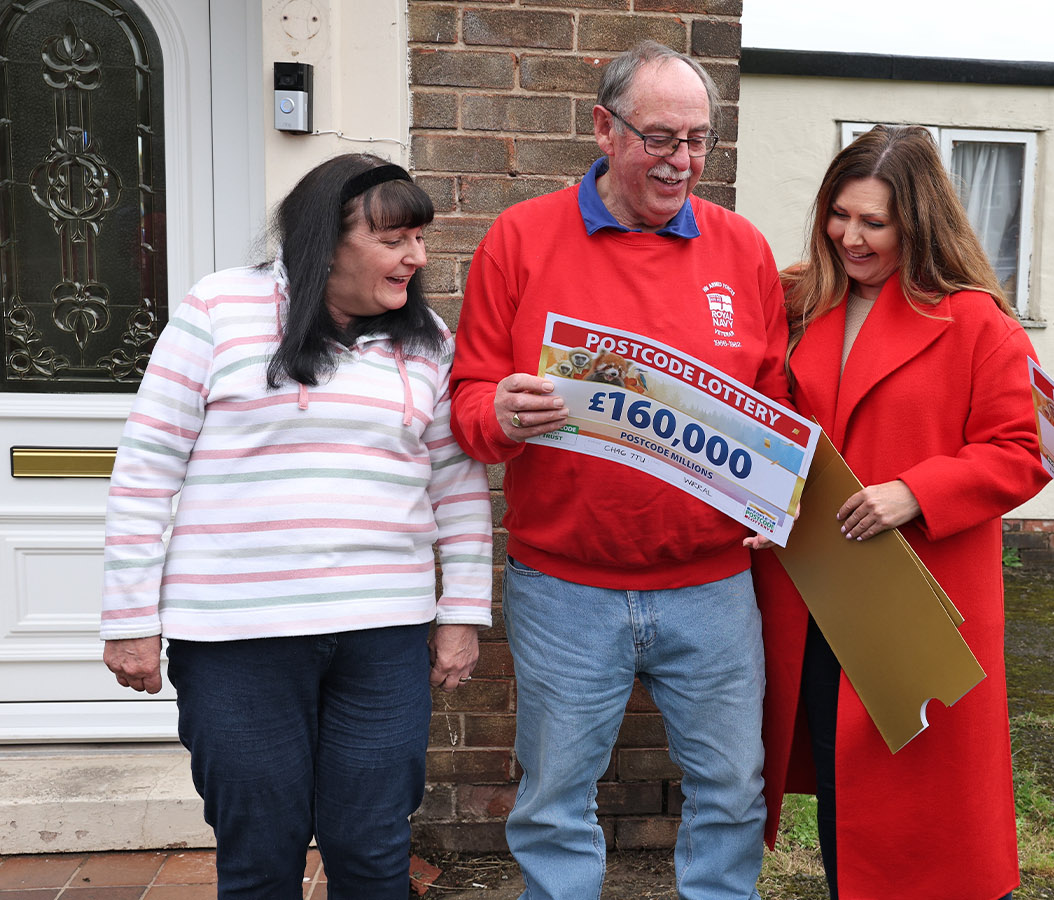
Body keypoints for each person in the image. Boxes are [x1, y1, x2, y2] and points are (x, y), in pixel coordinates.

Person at [448, 41, 790, 900]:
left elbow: (777, 405)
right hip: (563, 589)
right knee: (555, 801)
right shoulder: (519, 239)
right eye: (660, 138)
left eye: (699, 140)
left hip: (713, 586)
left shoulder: (742, 250)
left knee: (733, 791)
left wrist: (774, 494)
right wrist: (500, 414)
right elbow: (467, 403)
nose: (681, 162)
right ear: (604, 128)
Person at [100, 153, 494, 900]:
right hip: (236, 640)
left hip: (384, 638)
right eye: (395, 238)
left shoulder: (428, 340)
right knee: (259, 858)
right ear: (327, 239)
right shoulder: (220, 309)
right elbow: (147, 469)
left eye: (420, 237)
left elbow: (458, 485)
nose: (417, 255)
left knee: (375, 855)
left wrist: (463, 614)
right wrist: (130, 619)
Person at [751, 125, 1051, 900]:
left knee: (925, 799)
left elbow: (1023, 449)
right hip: (815, 588)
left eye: (874, 223)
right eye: (839, 215)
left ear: (917, 223)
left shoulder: (979, 321)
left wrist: (918, 490)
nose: (850, 237)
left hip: (922, 589)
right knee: (841, 775)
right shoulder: (794, 301)